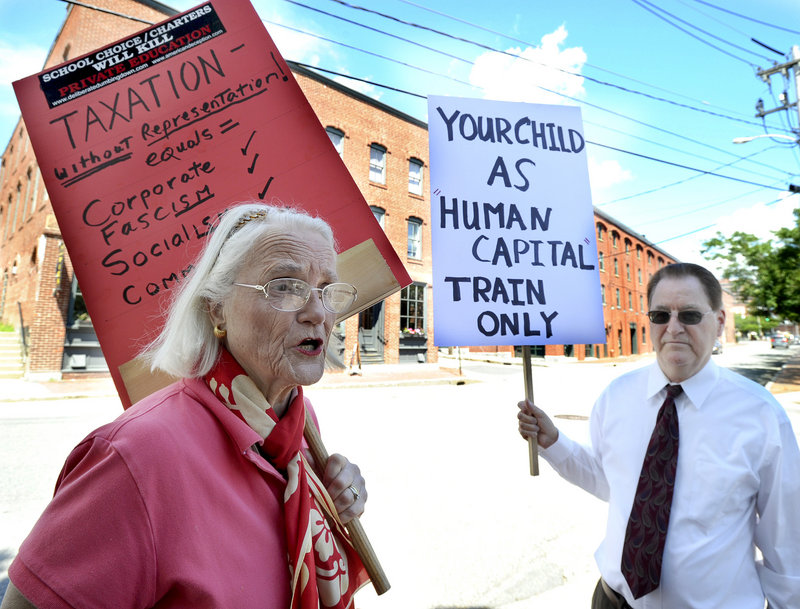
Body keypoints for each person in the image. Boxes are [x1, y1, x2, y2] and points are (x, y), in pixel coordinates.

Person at [2, 203, 371, 609]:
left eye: (326, 289)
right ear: (217, 309)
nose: (318, 312)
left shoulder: (297, 420)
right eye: (285, 285)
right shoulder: (135, 455)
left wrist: (334, 499)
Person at [518, 262, 800, 609]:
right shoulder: (616, 396)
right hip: (613, 599)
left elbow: (786, 539)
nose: (674, 328)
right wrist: (554, 442)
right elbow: (612, 484)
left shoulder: (760, 415)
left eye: (691, 315)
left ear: (720, 321)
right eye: (661, 315)